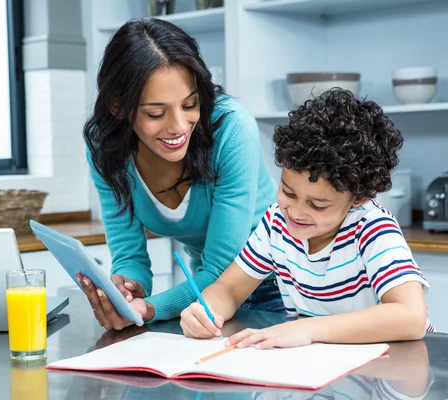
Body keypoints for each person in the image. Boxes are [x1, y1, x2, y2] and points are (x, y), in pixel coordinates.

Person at [180, 88, 434, 347]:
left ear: (359, 198)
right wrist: (206, 311)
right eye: (288, 192)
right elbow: (230, 289)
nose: (296, 212)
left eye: (318, 204)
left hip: (391, 367)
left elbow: (410, 316)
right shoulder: (277, 223)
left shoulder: (372, 229)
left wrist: (309, 329)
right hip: (326, 366)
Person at [80, 18, 282, 331]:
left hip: (278, 289)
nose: (178, 126)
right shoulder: (105, 147)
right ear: (118, 107)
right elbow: (128, 253)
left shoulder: (231, 128)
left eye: (190, 104)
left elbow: (222, 268)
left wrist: (149, 309)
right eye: (155, 113)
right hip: (205, 296)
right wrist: (126, 292)